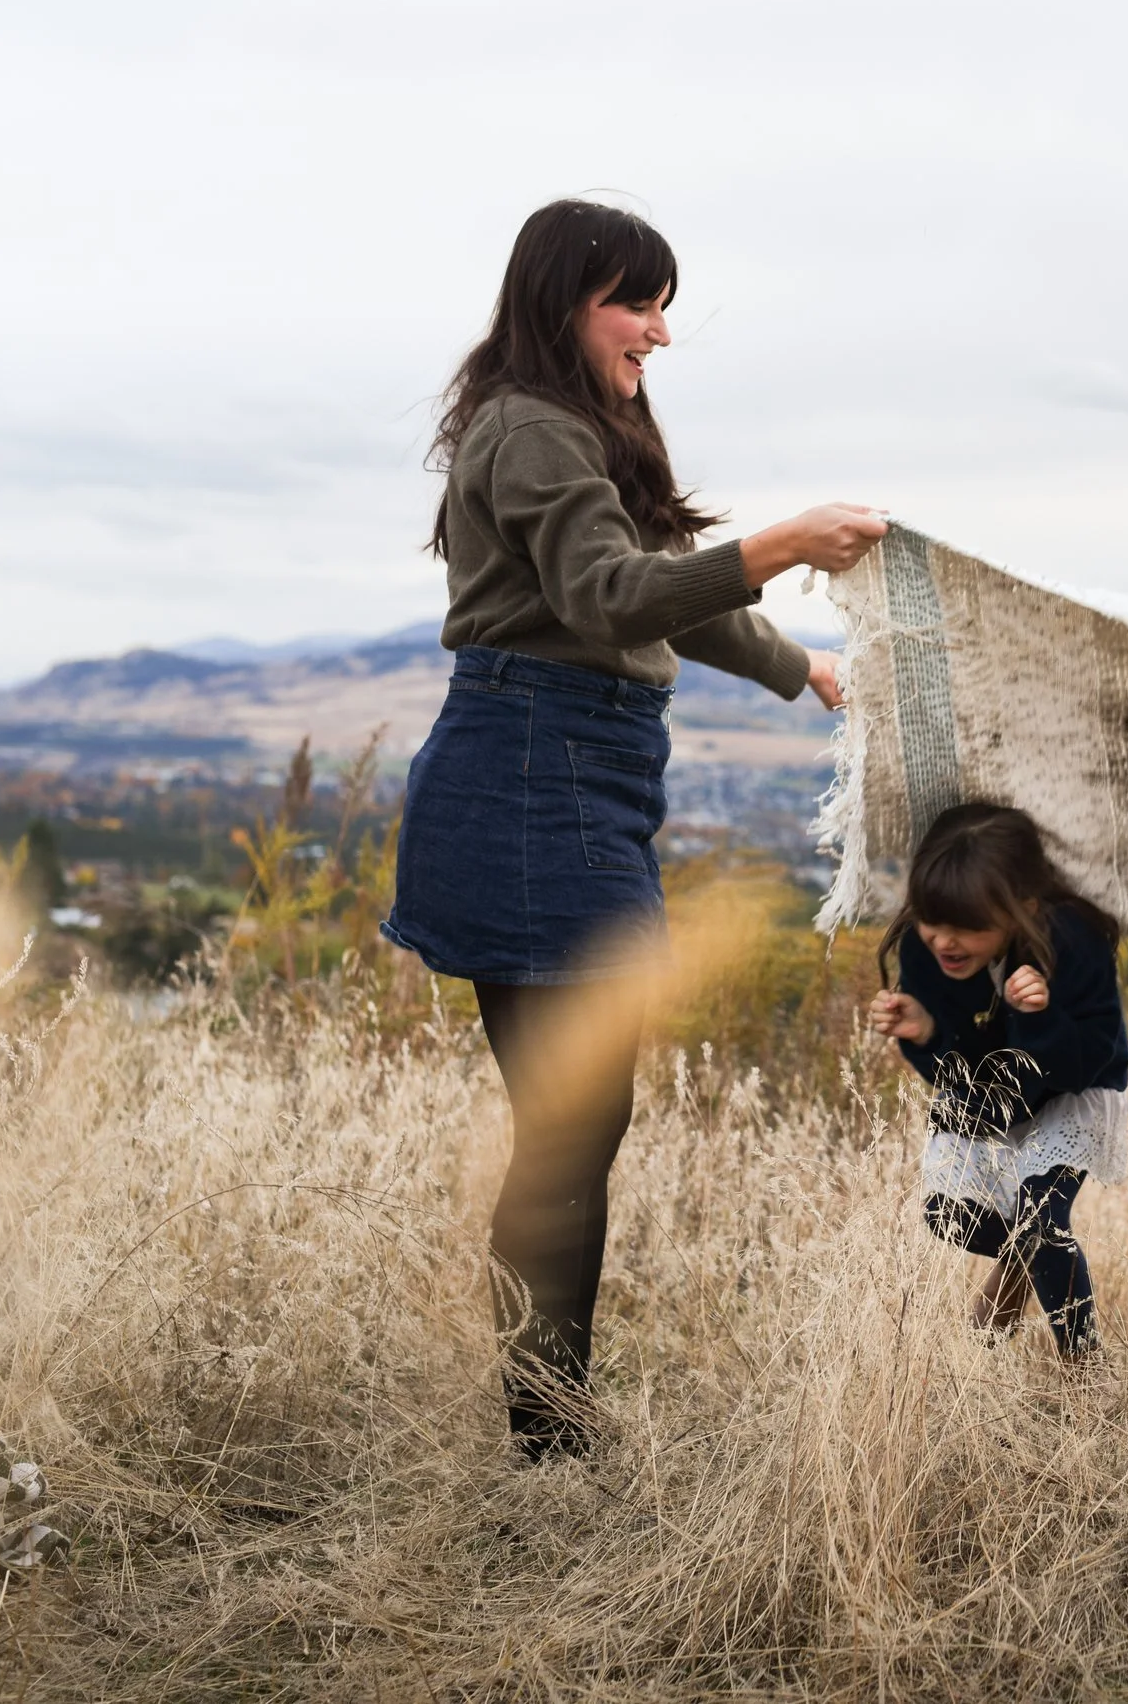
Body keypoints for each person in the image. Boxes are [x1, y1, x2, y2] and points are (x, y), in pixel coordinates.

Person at [382, 199, 888, 1460]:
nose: (658, 329)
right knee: (572, 1125)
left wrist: (801, 670)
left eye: (662, 304)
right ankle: (550, 1434)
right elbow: (612, 599)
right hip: (525, 773)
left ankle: (551, 1417)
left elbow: (663, 589)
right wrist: (774, 544)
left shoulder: (581, 426)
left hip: (581, 771)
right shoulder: (530, 430)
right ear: (565, 300)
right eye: (635, 301)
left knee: (579, 1121)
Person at [866, 803, 1128, 1361]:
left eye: (968, 927)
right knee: (947, 1215)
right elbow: (952, 1074)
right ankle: (1024, 1257)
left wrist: (1038, 1014)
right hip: (990, 1099)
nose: (945, 940)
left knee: (1040, 1220)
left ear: (1022, 909)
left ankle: (1085, 1368)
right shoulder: (924, 947)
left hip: (1071, 1091)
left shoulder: (1072, 940)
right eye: (932, 920)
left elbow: (1087, 1058)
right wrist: (925, 1032)